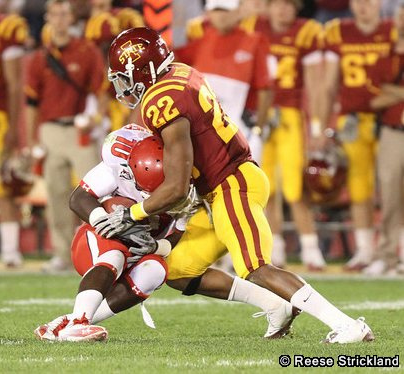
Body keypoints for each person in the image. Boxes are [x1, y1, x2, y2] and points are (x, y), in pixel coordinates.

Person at [102, 27, 374, 344]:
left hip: (232, 184)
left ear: (142, 68)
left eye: (124, 75)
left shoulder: (161, 100)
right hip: (219, 189)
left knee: (255, 266)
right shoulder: (179, 71)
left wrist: (131, 213)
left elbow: (176, 186)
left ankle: (347, 325)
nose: (122, 85)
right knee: (178, 269)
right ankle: (276, 307)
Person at [35, 124, 299, 341]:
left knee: (157, 271)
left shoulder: (182, 184)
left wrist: (153, 247)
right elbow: (78, 198)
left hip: (139, 250)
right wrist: (107, 222)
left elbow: (174, 238)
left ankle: (74, 323)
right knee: (114, 251)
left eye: (160, 192)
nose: (152, 198)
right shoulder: (118, 164)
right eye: (146, 191)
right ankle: (78, 320)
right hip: (96, 240)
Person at [24, 0, 107, 272]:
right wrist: (32, 139)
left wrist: (97, 120)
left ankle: (98, 249)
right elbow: (31, 104)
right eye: (55, 15)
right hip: (50, 130)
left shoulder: (86, 51)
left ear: (71, 18)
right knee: (56, 193)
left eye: (64, 14)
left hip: (78, 128)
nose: (59, 20)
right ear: (48, 18)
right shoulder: (39, 57)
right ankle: (61, 252)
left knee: (93, 192)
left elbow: (101, 90)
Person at [245, 0, 327, 269]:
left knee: (294, 187)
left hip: (289, 115)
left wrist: (316, 126)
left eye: (288, 5)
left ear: (297, 8)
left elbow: (315, 85)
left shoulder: (306, 32)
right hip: (261, 115)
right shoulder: (255, 25)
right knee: (266, 186)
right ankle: (275, 247)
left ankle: (311, 248)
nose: (282, 10)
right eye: (276, 4)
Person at [322, 0, 397, 270]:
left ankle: (393, 249)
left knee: (393, 187)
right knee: (359, 187)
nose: (364, 6)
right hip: (353, 119)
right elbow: (329, 85)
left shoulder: (393, 30)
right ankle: (366, 250)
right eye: (358, 1)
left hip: (389, 119)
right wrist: (321, 125)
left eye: (369, 1)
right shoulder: (337, 31)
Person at [177, 0, 271, 163]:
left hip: (241, 129)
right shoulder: (201, 39)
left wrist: (258, 131)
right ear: (209, 13)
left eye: (226, 10)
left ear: (238, 12)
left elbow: (266, 89)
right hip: (203, 130)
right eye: (216, 10)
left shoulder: (255, 41)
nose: (221, 16)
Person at [364, 1, 404, 275]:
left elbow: (384, 93)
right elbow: (373, 99)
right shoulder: (385, 56)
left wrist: (395, 92)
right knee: (389, 196)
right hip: (393, 132)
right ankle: (387, 255)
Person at [0, 2, 29, 267]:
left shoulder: (7, 27)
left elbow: (15, 85)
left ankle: (10, 251)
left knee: (2, 187)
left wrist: (12, 129)